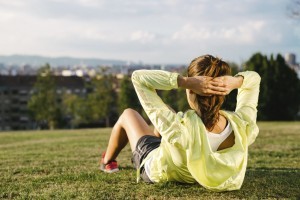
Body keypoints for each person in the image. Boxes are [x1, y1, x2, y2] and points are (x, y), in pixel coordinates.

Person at [100, 54, 261, 191]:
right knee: (167, 111)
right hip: (182, 154)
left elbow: (138, 78)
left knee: (129, 114)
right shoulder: (243, 126)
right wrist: (236, 82)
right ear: (224, 92)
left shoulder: (178, 127)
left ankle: (107, 161)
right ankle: (160, 142)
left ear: (191, 91)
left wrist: (184, 81)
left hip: (159, 167)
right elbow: (254, 79)